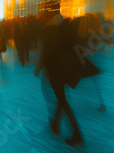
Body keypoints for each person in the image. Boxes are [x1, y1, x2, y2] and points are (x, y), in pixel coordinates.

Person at [34, 11, 84, 147]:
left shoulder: (50, 29)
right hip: (65, 68)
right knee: (61, 99)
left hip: (56, 70)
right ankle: (55, 123)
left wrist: (40, 67)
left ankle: (77, 133)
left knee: (62, 100)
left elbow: (49, 50)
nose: (42, 15)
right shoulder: (63, 25)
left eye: (44, 12)